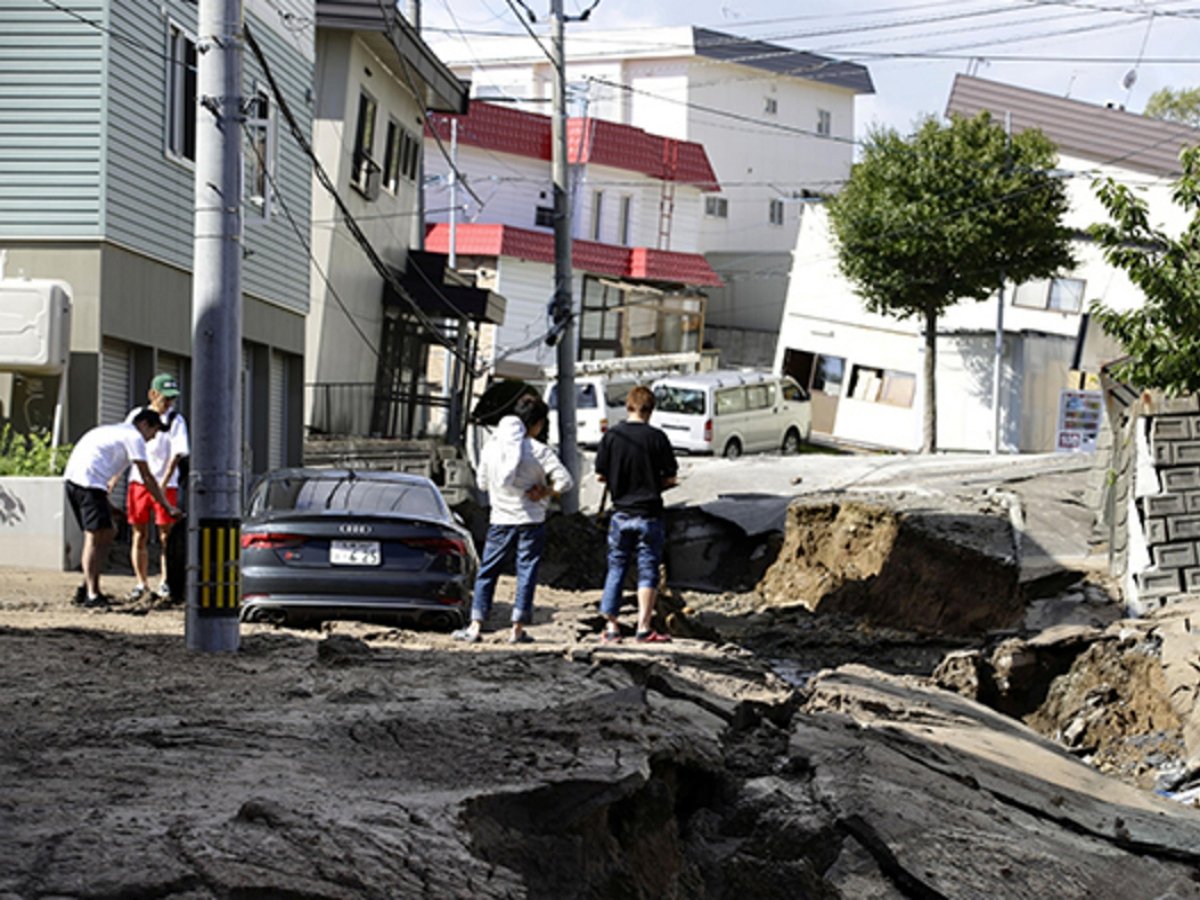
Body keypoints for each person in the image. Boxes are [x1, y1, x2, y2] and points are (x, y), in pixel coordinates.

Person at [453, 393, 573, 644]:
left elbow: (483, 485)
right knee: (526, 572)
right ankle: (517, 629)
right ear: (537, 423)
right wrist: (545, 490)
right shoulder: (540, 451)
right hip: (531, 520)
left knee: (488, 570)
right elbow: (566, 481)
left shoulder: (491, 447)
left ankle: (476, 625)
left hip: (500, 519)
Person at [63, 409, 180, 608]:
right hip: (87, 483)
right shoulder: (133, 437)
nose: (152, 438)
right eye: (153, 431)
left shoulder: (115, 432)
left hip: (75, 481)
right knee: (94, 535)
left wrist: (109, 507)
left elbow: (101, 473)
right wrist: (167, 506)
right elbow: (147, 477)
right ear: (143, 424)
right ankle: (91, 594)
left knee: (109, 531)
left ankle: (89, 585)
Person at [594, 385, 678, 644]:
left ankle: (611, 628)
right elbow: (670, 477)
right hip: (649, 514)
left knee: (617, 566)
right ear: (650, 410)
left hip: (620, 513)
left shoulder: (611, 437)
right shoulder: (657, 438)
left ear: (628, 406)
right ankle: (643, 627)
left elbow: (600, 475)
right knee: (648, 569)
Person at [123, 373, 189, 602]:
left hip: (165, 484)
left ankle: (165, 581)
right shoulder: (137, 416)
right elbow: (126, 445)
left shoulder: (176, 421)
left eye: (172, 399)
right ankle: (141, 583)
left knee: (165, 536)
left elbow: (178, 453)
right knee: (139, 533)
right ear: (153, 394)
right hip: (139, 482)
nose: (168, 403)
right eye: (165, 398)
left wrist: (163, 481)